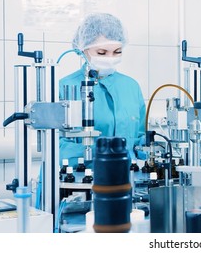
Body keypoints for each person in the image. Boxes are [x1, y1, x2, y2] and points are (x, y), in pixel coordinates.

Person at [59, 13, 146, 168]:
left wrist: (149, 146)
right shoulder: (64, 87)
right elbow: (57, 145)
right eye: (101, 53)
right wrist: (100, 152)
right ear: (82, 49)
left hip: (124, 179)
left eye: (117, 52)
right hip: (79, 181)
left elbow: (140, 137)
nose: (110, 58)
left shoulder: (131, 86)